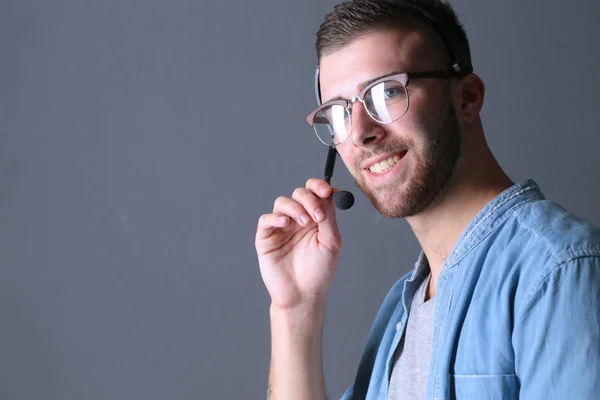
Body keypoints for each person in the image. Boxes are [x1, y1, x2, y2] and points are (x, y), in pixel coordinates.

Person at [254, 0, 600, 399]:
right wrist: (295, 311)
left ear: (467, 98)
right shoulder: (402, 314)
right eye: (339, 113)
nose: (361, 132)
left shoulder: (558, 274)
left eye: (386, 93)